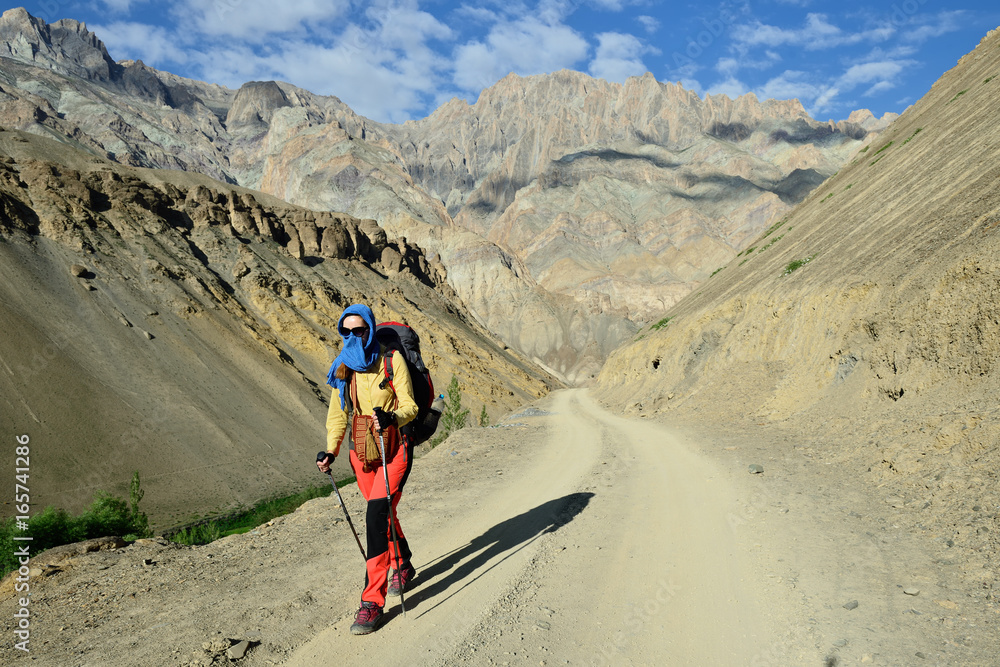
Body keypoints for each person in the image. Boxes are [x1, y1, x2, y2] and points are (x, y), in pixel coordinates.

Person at [317, 304, 419, 635]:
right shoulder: (343, 366)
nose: (352, 336)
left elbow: (411, 406)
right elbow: (338, 414)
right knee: (382, 514)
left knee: (376, 516)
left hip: (394, 446)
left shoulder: (391, 360)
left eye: (359, 331)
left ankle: (371, 601)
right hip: (361, 451)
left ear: (370, 329)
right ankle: (402, 562)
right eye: (345, 331)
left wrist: (393, 417)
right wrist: (331, 451)